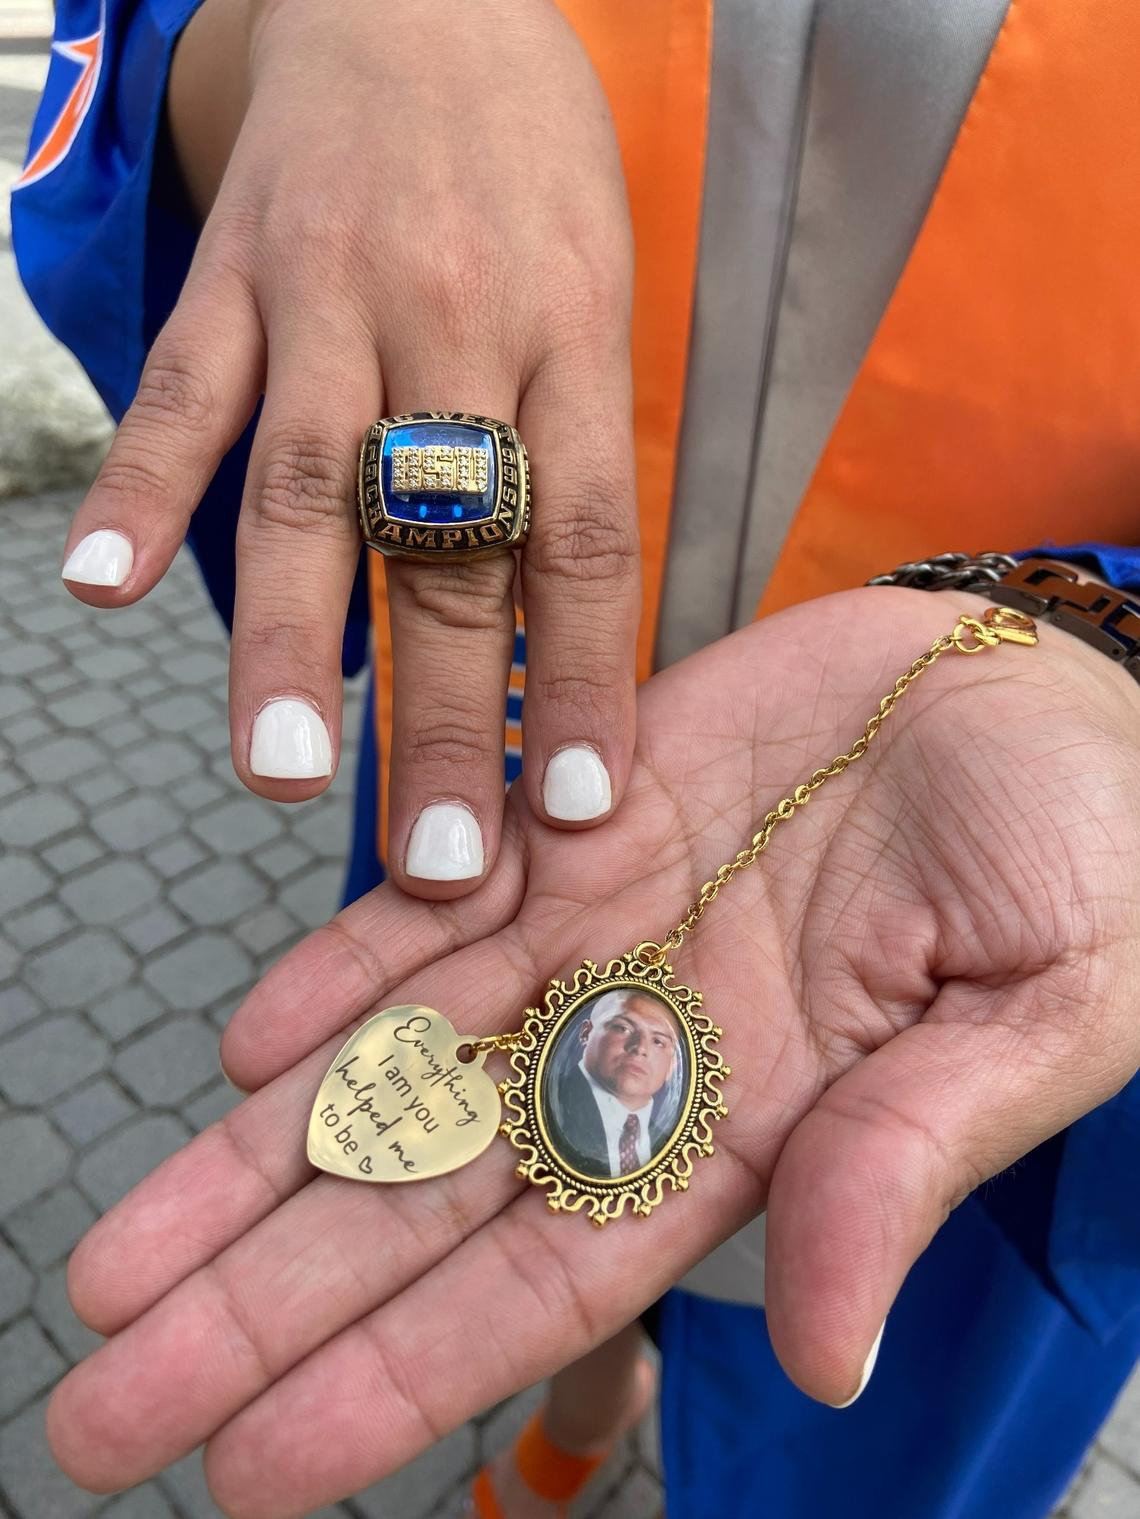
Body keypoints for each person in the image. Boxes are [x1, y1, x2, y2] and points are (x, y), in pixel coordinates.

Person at [12, 2, 1140, 1518]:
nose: (619, 1050)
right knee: (520, 1139)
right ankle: (597, 1380)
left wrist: (1110, 634)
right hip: (486, 758)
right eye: (619, 1053)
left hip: (1040, 816)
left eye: (618, 1054)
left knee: (872, 1397)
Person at [549, 992, 682, 1179]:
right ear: (586, 1033)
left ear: (673, 1065)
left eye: (658, 1041)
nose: (640, 1048)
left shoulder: (668, 1140)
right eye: (623, 1028)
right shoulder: (554, 1108)